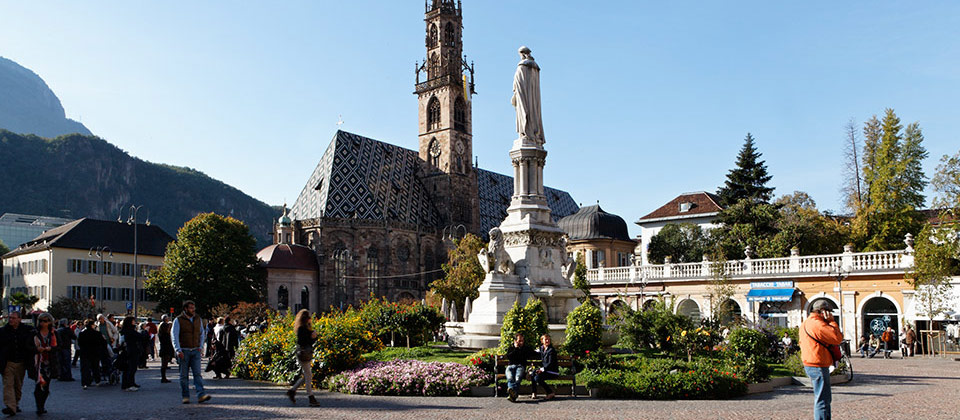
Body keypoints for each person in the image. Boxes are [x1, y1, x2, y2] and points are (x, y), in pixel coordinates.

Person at [800, 301, 843, 420]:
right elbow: (837, 338)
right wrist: (832, 322)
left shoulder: (806, 322)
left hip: (812, 362)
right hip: (818, 364)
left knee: (823, 398)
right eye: (828, 312)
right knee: (822, 400)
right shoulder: (818, 324)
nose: (830, 315)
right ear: (823, 311)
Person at [172, 300, 211, 404]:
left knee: (197, 374)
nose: (193, 310)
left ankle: (201, 395)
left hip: (195, 350)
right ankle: (185, 396)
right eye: (191, 308)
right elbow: (174, 336)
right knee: (184, 376)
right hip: (184, 350)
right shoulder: (178, 320)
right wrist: (178, 350)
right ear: (185, 309)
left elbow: (202, 333)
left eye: (194, 308)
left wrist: (201, 346)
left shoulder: (198, 319)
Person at [1, 311, 36, 416]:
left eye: (13, 318)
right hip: (8, 363)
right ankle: (10, 406)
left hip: (21, 362)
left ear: (19, 319)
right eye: (10, 318)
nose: (11, 320)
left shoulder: (27, 330)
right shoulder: (3, 331)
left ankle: (15, 404)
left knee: (18, 385)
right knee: (8, 385)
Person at [285, 309, 319, 407]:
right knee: (308, 375)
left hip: (305, 353)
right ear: (305, 319)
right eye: (309, 317)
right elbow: (302, 342)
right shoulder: (301, 329)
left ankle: (292, 390)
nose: (311, 319)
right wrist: (312, 337)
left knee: (306, 375)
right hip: (303, 353)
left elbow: (310, 341)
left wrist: (313, 337)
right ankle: (311, 397)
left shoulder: (306, 328)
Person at [32, 313, 57, 414]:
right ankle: (39, 407)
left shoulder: (54, 334)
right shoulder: (34, 333)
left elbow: (59, 346)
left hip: (50, 363)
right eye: (41, 320)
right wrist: (37, 349)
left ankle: (41, 404)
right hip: (38, 362)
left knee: (46, 387)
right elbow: (28, 345)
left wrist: (51, 348)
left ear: (50, 322)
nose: (42, 323)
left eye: (45, 321)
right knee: (39, 385)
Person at [77, 319, 106, 389]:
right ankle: (97, 381)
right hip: (95, 352)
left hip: (85, 353)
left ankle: (85, 383)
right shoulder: (97, 333)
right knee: (95, 367)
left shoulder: (81, 334)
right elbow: (103, 343)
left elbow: (79, 343)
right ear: (92, 325)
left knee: (85, 369)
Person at [503, 333, 532, 402]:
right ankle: (513, 394)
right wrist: (516, 348)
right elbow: (509, 357)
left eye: (522, 340)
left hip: (520, 366)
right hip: (510, 366)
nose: (521, 342)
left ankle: (511, 392)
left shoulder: (525, 349)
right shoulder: (511, 348)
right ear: (515, 341)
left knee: (517, 378)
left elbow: (533, 353)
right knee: (510, 377)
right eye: (519, 341)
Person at [531, 334, 559, 401]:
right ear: (542, 341)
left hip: (552, 372)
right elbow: (535, 352)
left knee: (537, 377)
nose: (547, 341)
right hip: (546, 370)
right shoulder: (542, 348)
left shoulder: (551, 350)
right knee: (533, 373)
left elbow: (550, 363)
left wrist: (541, 369)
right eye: (546, 339)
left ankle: (550, 392)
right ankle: (534, 392)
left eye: (549, 339)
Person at [118, 316, 142, 391]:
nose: (134, 322)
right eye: (133, 321)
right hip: (131, 350)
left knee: (128, 368)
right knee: (131, 368)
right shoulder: (129, 330)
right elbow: (138, 336)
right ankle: (129, 384)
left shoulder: (124, 330)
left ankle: (128, 383)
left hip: (127, 351)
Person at [158, 316, 175, 383]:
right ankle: (163, 377)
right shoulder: (163, 326)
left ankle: (163, 377)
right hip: (165, 347)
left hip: (164, 346)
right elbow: (167, 331)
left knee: (164, 363)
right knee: (164, 363)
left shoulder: (161, 326)